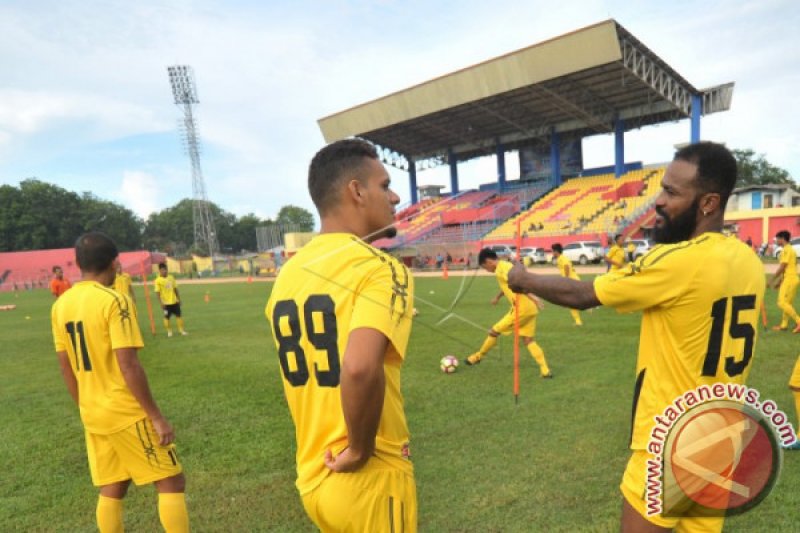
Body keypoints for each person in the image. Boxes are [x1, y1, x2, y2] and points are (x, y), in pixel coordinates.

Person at [506, 142, 765, 532]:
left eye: (673, 193)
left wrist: (522, 278)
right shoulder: (747, 259)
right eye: (662, 189)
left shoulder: (678, 261)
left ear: (709, 203)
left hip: (673, 442)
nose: (659, 202)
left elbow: (583, 294)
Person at [265, 139, 417, 531]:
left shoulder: (289, 275)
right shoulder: (380, 267)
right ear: (357, 191)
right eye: (385, 185)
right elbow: (360, 368)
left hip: (314, 474)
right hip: (368, 475)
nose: (396, 196)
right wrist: (359, 448)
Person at [50, 232, 188, 533]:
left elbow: (66, 367)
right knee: (171, 479)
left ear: (78, 263)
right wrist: (156, 417)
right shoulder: (114, 300)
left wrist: (86, 407)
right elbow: (128, 364)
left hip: (93, 411)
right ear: (115, 263)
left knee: (114, 484)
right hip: (124, 410)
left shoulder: (61, 305)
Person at [464, 248, 552, 378]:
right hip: (530, 308)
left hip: (521, 309)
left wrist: (534, 297)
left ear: (488, 261)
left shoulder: (501, 269)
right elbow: (509, 284)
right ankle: (545, 370)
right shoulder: (505, 266)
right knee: (528, 340)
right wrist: (498, 297)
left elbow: (519, 284)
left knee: (493, 331)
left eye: (484, 267)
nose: (486, 270)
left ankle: (477, 357)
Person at [769, 230, 800, 333]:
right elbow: (787, 268)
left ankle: (799, 321)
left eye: (777, 239)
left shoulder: (787, 250)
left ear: (782, 239)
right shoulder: (788, 249)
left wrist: (772, 279)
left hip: (790, 279)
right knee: (787, 303)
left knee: (781, 302)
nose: (776, 241)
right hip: (790, 278)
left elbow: (783, 266)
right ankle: (784, 325)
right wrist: (779, 281)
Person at [551, 243, 582, 326]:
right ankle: (578, 320)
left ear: (556, 251)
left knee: (571, 302)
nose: (552, 253)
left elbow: (567, 267)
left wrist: (566, 280)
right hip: (572, 281)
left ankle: (579, 320)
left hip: (572, 281)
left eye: (552, 251)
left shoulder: (562, 258)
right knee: (572, 301)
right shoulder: (560, 259)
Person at [154, 263, 187, 337]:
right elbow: (157, 293)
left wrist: (179, 299)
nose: (164, 271)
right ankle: (169, 332)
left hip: (175, 301)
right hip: (166, 303)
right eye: (162, 270)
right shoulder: (157, 280)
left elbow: (175, 289)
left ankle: (181, 330)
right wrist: (161, 303)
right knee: (167, 317)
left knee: (179, 316)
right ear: (159, 271)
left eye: (165, 270)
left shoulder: (171, 277)